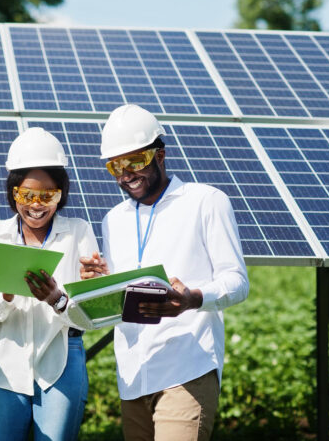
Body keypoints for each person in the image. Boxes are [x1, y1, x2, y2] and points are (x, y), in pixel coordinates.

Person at [79, 104, 249, 441]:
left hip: (186, 367)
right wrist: (100, 283)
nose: (125, 174)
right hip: (132, 375)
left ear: (160, 155)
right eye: (116, 166)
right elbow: (122, 296)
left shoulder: (206, 201)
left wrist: (193, 299)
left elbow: (237, 281)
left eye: (134, 162)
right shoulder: (113, 220)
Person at [0, 127, 99, 441]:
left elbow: (90, 317)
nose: (37, 205)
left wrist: (61, 298)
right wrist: (4, 294)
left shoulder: (78, 232)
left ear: (62, 194)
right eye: (27, 195)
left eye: (48, 196)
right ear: (13, 191)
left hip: (63, 357)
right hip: (8, 362)